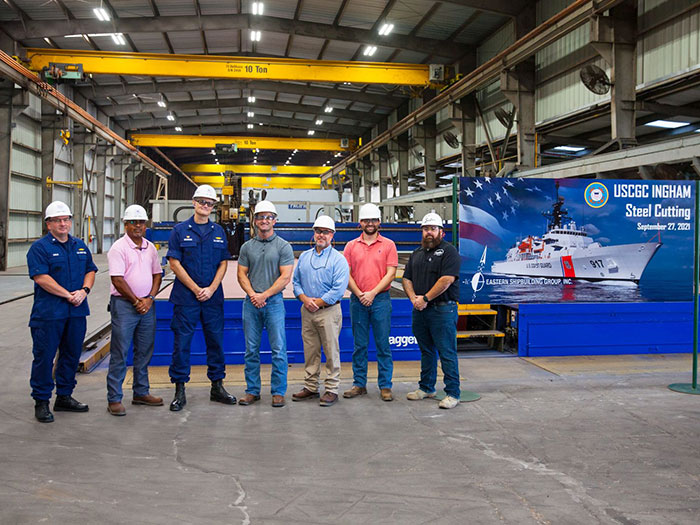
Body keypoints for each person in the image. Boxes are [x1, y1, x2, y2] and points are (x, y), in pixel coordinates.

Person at [26, 201, 98, 423]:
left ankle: (64, 396)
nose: (63, 223)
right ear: (49, 224)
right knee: (44, 357)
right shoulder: (40, 248)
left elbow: (91, 270)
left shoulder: (79, 245)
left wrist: (84, 291)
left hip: (76, 312)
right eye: (57, 220)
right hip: (49, 314)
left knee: (71, 355)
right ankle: (42, 401)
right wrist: (68, 295)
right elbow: (41, 278)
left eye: (66, 219)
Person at [166, 184, 236, 411]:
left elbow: (224, 261)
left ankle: (217, 386)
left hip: (213, 299)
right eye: (202, 202)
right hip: (186, 298)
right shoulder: (179, 231)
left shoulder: (218, 231)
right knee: (182, 344)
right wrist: (196, 288)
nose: (205, 206)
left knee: (215, 343)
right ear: (194, 203)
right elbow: (174, 262)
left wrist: (212, 287)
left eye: (209, 203)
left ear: (213, 206)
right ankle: (179, 390)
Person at [106, 205, 163, 416]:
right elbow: (117, 280)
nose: (138, 226)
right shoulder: (118, 249)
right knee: (120, 352)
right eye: (133, 223)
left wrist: (149, 298)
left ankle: (141, 392)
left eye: (141, 223)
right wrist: (137, 301)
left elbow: (157, 274)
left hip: (147, 306)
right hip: (124, 306)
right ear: (125, 225)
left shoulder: (150, 248)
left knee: (144, 351)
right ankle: (114, 398)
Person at [237, 200, 294, 408]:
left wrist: (264, 295)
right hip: (251, 303)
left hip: (274, 303)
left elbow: (285, 277)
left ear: (275, 221)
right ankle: (252, 390)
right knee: (251, 349)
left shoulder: (283, 246)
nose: (264, 221)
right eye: (260, 217)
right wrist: (253, 294)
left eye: (269, 217)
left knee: (278, 349)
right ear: (254, 221)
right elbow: (241, 274)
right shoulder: (247, 247)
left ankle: (278, 391)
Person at [402, 212, 461, 409]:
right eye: (426, 229)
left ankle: (453, 393)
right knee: (426, 350)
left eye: (433, 229)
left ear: (441, 232)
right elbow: (406, 278)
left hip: (442, 310)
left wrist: (426, 298)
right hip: (420, 310)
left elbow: (446, 280)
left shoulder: (449, 252)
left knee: (446, 352)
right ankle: (427, 387)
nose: (429, 233)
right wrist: (414, 299)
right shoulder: (417, 253)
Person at [291, 216, 349, 407]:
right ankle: (310, 386)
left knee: (332, 351)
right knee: (310, 350)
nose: (321, 235)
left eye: (325, 232)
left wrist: (318, 302)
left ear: (332, 235)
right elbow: (296, 282)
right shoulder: (305, 257)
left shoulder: (339, 260)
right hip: (307, 310)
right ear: (314, 233)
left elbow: (338, 289)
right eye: (318, 231)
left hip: (329, 311)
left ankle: (331, 389)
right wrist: (305, 299)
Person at [342, 203, 398, 402]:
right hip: (358, 301)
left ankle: (385, 386)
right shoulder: (350, 246)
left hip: (381, 300)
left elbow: (391, 273)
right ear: (360, 223)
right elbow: (345, 274)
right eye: (366, 220)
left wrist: (372, 293)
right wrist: (359, 293)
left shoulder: (389, 245)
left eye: (373, 220)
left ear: (379, 223)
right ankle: (359, 384)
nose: (370, 224)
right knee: (360, 345)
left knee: (383, 345)